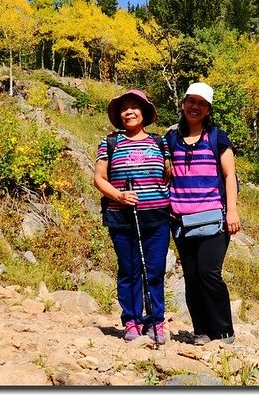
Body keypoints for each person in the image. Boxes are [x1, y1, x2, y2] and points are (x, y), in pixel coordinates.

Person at [93, 89, 171, 344]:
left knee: (155, 270)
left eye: (134, 106)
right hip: (122, 216)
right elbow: (99, 179)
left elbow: (168, 176)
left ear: (144, 112)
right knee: (129, 270)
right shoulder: (110, 143)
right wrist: (119, 196)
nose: (129, 111)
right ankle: (131, 320)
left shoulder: (160, 143)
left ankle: (156, 321)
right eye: (124, 108)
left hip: (157, 217)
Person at [166, 82, 241, 345]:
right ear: (183, 103)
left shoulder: (218, 137)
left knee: (209, 273)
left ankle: (223, 331)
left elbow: (230, 175)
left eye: (201, 103)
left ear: (208, 109)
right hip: (181, 220)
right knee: (192, 277)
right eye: (191, 101)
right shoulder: (171, 138)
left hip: (214, 219)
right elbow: (165, 174)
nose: (195, 107)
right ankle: (202, 331)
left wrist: (232, 211)